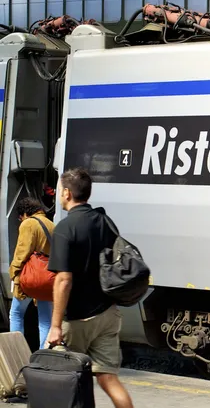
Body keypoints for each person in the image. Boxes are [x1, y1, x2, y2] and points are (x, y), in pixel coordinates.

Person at [46, 167, 134, 408]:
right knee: (108, 378)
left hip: (77, 319)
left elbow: (63, 280)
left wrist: (55, 327)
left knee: (60, 378)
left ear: (66, 193)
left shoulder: (65, 228)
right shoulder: (104, 220)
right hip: (107, 313)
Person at [8, 197, 54, 349]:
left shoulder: (29, 223)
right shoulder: (51, 224)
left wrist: (14, 273)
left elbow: (22, 252)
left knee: (16, 313)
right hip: (47, 278)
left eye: (20, 218)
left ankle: (16, 352)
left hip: (30, 277)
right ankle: (44, 356)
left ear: (25, 213)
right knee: (46, 321)